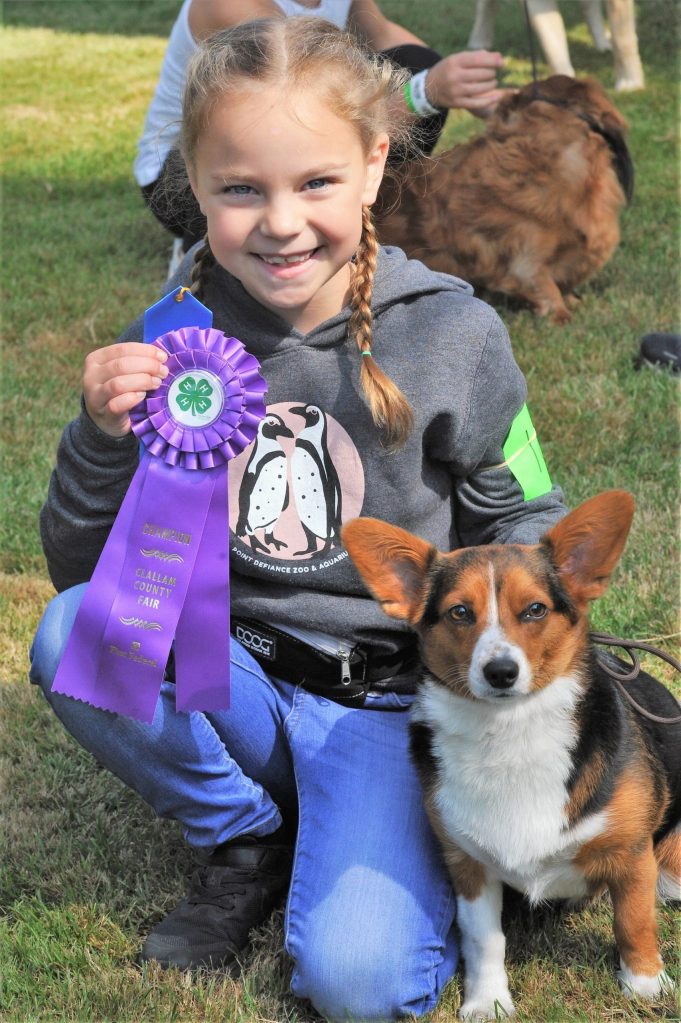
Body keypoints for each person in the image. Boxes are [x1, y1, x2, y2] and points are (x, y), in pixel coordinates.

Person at [31, 17, 567, 1021]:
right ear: (193, 180)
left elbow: (528, 514)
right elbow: (83, 569)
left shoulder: (455, 330)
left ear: (373, 165)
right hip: (229, 682)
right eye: (240, 189)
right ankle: (244, 835)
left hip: (391, 708)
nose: (279, 223)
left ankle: (380, 842)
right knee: (75, 633)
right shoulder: (179, 339)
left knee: (356, 986)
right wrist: (100, 434)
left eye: (314, 182)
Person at [135, 0, 508, 255]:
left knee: (417, 64)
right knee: (421, 86)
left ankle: (349, 217)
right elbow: (294, 108)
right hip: (185, 174)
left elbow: (384, 35)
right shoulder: (230, 5)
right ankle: (198, 244)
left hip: (281, 145)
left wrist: (460, 80)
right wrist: (426, 91)